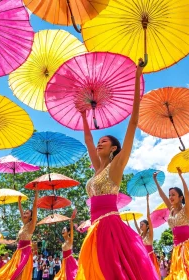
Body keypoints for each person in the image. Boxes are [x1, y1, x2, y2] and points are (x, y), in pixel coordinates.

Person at [75, 58, 158, 280]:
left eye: (104, 141)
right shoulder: (97, 169)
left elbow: (132, 123)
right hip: (95, 229)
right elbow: (87, 139)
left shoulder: (116, 167)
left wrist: (137, 77)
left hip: (110, 228)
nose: (99, 143)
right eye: (99, 141)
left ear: (113, 148)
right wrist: (83, 116)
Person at [0, 192, 39, 280]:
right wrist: (19, 201)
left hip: (25, 252)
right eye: (24, 213)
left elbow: (35, 206)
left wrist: (36, 192)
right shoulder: (23, 225)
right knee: (12, 272)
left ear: (31, 216)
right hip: (18, 252)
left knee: (19, 273)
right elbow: (20, 211)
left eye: (27, 213)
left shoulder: (31, 225)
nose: (24, 214)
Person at [134, 195, 160, 277]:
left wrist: (147, 202)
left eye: (142, 224)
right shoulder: (140, 235)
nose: (140, 226)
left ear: (147, 226)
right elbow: (136, 227)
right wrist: (132, 218)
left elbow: (149, 217)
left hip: (150, 257)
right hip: (143, 258)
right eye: (140, 225)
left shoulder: (150, 234)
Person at [54, 211, 78, 280]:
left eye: (64, 229)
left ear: (68, 232)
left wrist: (71, 220)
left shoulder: (70, 240)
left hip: (70, 262)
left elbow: (72, 230)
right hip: (64, 262)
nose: (63, 231)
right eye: (62, 230)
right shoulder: (63, 242)